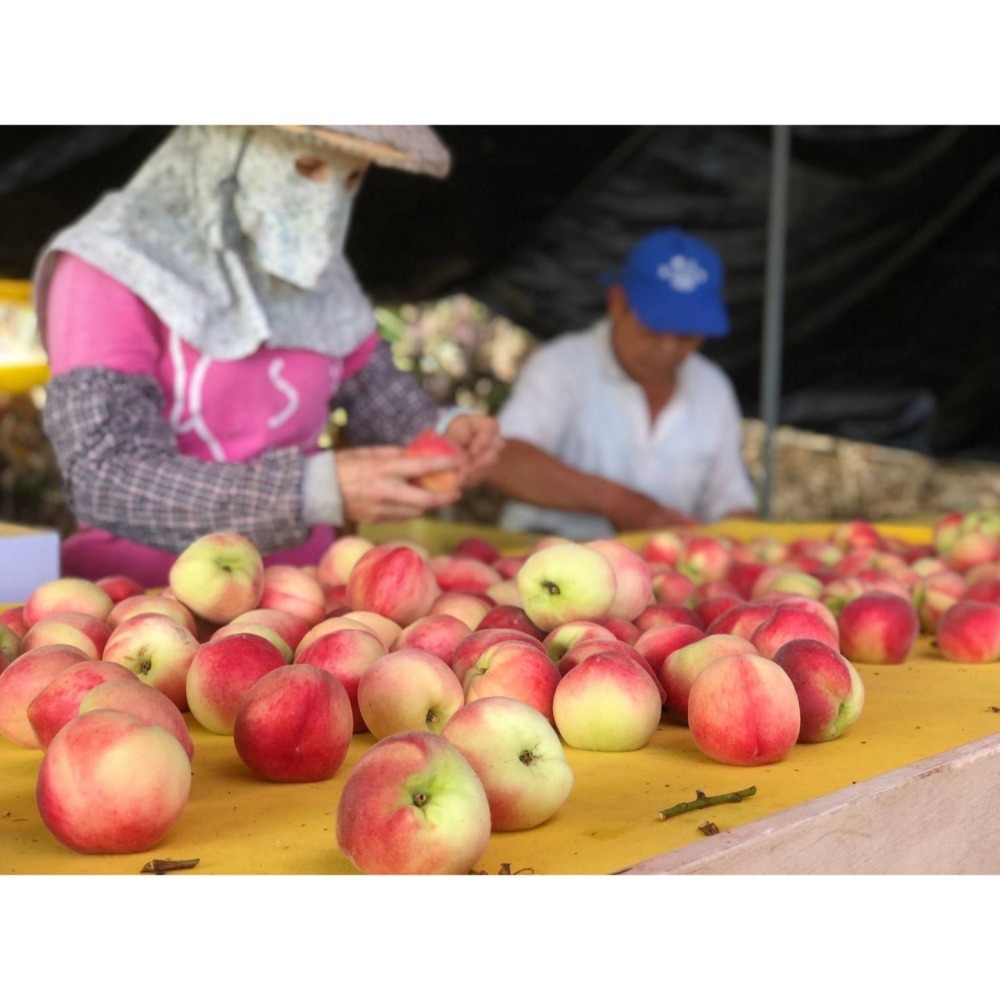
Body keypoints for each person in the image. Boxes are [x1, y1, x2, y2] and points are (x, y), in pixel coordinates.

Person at [33, 125, 502, 586]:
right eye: (306, 166)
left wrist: (442, 435)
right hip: (138, 600)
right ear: (223, 147)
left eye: (351, 175)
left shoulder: (319, 275)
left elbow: (379, 399)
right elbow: (105, 473)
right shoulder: (111, 267)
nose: (327, 196)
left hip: (301, 597)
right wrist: (311, 492)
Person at [485, 227, 758, 540]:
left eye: (687, 333)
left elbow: (732, 504)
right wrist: (620, 504)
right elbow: (504, 457)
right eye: (654, 327)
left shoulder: (713, 389)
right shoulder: (562, 366)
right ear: (617, 303)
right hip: (548, 561)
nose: (668, 348)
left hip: (662, 577)